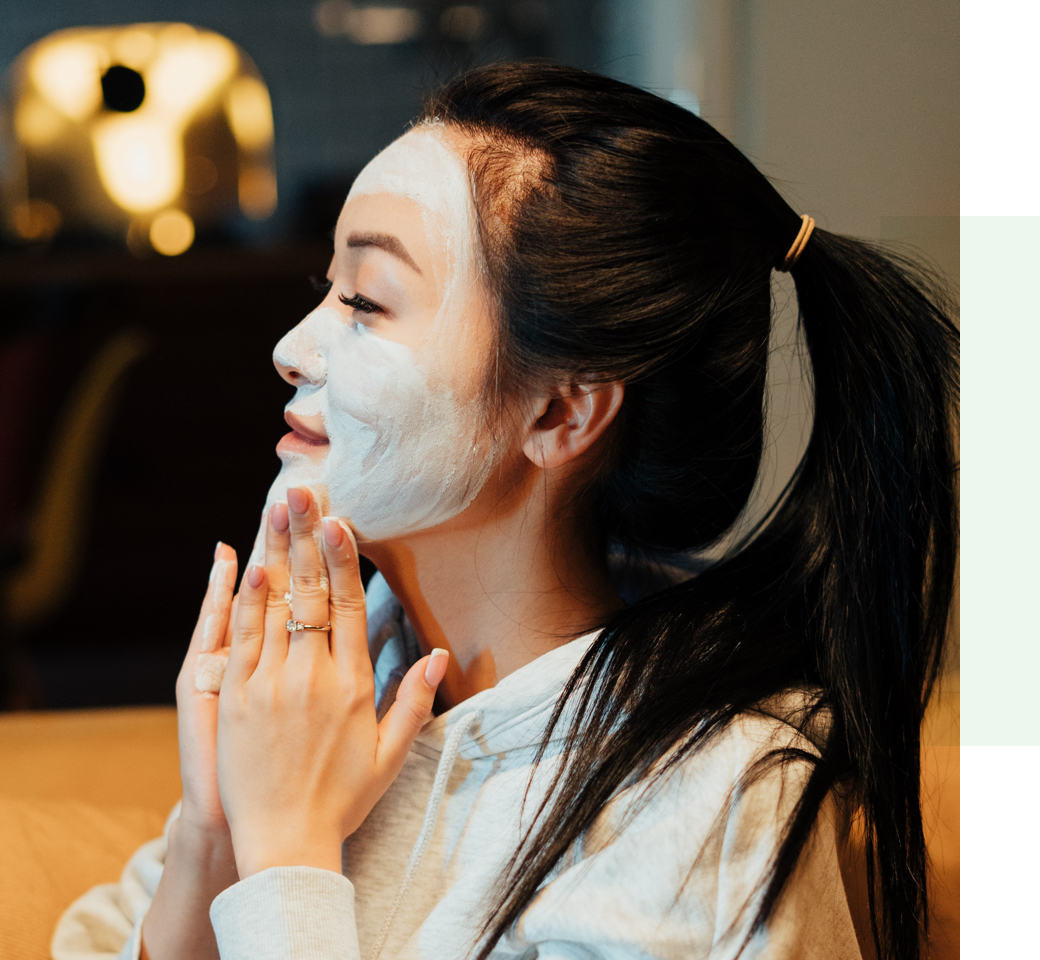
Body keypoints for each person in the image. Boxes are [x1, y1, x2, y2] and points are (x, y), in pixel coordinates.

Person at [52, 62, 958, 960]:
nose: (294, 347)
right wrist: (214, 836)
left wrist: (286, 859)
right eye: (325, 290)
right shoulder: (323, 684)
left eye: (365, 302)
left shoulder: (710, 805)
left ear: (561, 413)